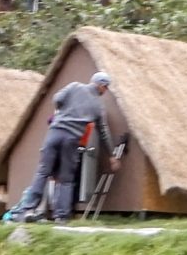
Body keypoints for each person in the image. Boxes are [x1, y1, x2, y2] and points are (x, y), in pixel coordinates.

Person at [8, 72, 117, 223]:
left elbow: (57, 99)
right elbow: (103, 132)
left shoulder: (74, 86)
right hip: (72, 140)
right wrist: (111, 154)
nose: (105, 91)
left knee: (43, 172)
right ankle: (61, 216)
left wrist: (63, 111)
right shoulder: (98, 106)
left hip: (55, 133)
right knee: (66, 179)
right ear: (102, 86)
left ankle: (27, 210)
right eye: (106, 88)